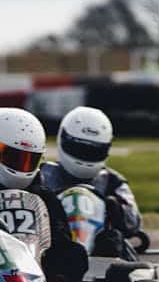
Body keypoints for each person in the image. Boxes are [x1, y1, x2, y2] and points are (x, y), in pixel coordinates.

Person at [0, 107, 86, 282]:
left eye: (29, 160)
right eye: (13, 158)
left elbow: (66, 253)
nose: (20, 167)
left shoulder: (46, 200)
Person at [39, 106, 143, 260]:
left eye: (92, 152)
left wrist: (115, 209)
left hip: (103, 254)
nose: (84, 157)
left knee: (114, 240)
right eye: (79, 148)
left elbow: (133, 223)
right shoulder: (43, 175)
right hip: (52, 250)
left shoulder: (112, 181)